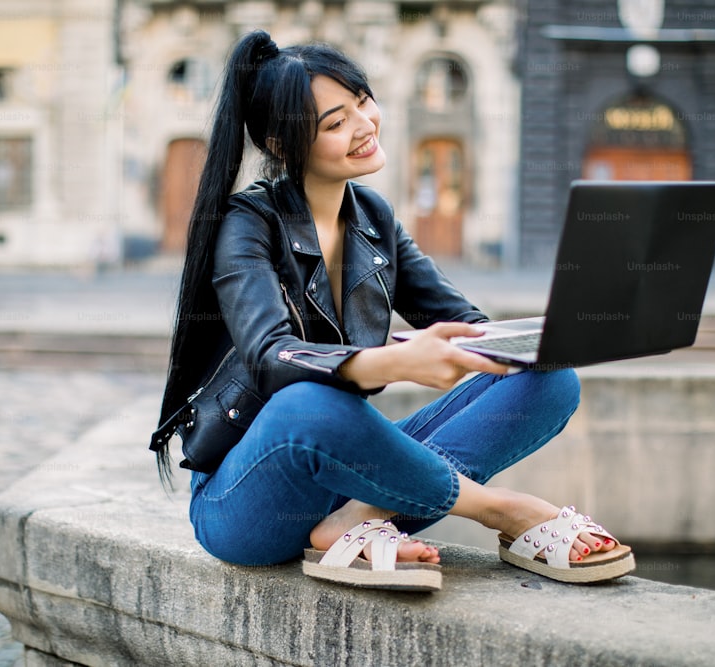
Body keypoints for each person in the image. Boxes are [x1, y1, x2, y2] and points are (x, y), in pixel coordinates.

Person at [152, 30, 634, 591]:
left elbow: (469, 328)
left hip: (346, 474)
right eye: (335, 123)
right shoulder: (247, 224)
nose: (364, 125)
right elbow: (271, 358)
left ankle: (358, 519)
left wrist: (576, 321)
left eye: (362, 101)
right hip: (248, 498)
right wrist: (395, 362)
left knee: (548, 381)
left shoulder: (372, 217)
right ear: (284, 146)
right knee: (311, 402)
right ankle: (504, 511)